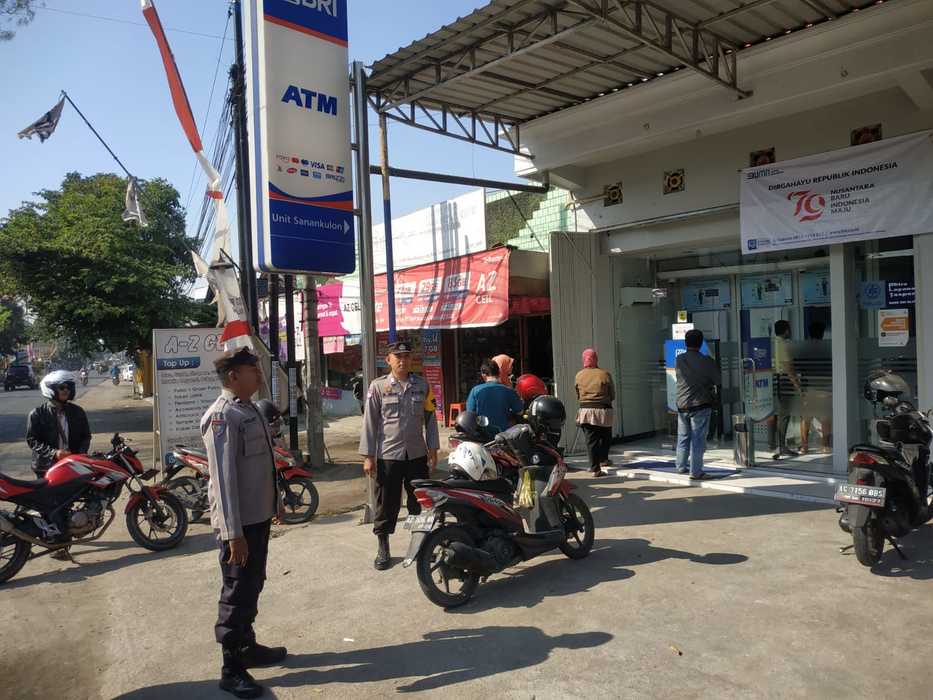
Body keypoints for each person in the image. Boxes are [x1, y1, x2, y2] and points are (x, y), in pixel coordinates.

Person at [201, 347, 286, 699]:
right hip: (239, 526)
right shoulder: (222, 416)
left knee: (252, 584)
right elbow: (223, 482)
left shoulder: (249, 409)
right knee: (237, 592)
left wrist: (275, 502)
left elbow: (264, 465)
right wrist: (233, 533)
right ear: (234, 376)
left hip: (257, 517)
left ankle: (247, 648)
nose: (260, 375)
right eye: (254, 369)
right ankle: (231, 669)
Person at [359, 339, 440, 571]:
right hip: (388, 455)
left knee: (419, 503)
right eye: (398, 357)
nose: (403, 360)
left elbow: (430, 419)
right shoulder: (378, 387)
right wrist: (368, 456)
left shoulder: (422, 386)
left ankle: (421, 545)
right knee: (386, 503)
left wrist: (433, 449)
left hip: (416, 455)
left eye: (407, 356)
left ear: (412, 359)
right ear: (389, 360)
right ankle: (383, 547)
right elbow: (370, 422)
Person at [26, 370, 92, 560]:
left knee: (66, 503)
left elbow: (86, 436)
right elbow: (32, 440)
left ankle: (64, 534)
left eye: (68, 387)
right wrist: (54, 453)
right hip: (46, 466)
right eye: (62, 387)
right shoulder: (37, 413)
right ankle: (58, 544)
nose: (66, 391)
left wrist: (79, 456)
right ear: (51, 390)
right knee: (51, 506)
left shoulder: (77, 412)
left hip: (70, 465)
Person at [674, 330, 721, 480]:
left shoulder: (679, 359)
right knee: (698, 440)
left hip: (682, 404)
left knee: (683, 437)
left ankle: (680, 466)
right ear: (701, 343)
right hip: (700, 404)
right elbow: (717, 380)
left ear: (685, 343)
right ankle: (696, 472)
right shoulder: (707, 361)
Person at [574, 348, 615, 477]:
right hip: (603, 410)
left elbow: (577, 394)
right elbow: (612, 394)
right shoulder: (604, 374)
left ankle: (595, 468)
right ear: (596, 359)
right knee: (606, 436)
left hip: (585, 411)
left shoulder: (579, 375)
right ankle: (603, 459)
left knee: (591, 440)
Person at [466, 359, 524, 434]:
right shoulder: (509, 390)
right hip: (503, 434)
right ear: (499, 373)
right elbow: (520, 412)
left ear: (483, 375)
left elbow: (470, 413)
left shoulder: (475, 390)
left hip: (482, 434)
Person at [771, 319, 801, 460]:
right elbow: (788, 367)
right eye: (789, 329)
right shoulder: (783, 344)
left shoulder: (774, 343)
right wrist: (797, 385)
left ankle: (776, 444)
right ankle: (781, 446)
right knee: (784, 415)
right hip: (784, 381)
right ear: (786, 330)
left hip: (776, 380)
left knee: (779, 414)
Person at [801, 321, 832, 455]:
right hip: (825, 387)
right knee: (825, 417)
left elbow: (800, 368)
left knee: (806, 418)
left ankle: (804, 447)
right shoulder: (827, 349)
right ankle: (824, 446)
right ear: (822, 334)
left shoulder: (805, 350)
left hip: (809, 387)